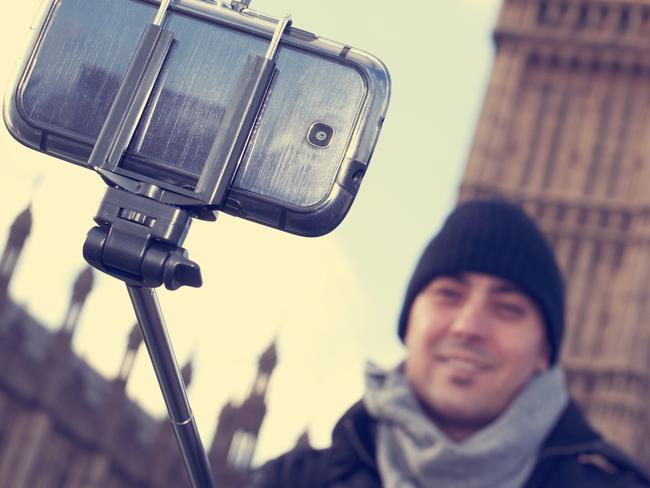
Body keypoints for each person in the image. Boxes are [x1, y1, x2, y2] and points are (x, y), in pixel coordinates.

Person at [253, 199, 650, 487]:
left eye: (507, 308)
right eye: (448, 295)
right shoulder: (293, 480)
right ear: (409, 324)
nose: (468, 326)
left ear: (545, 353)